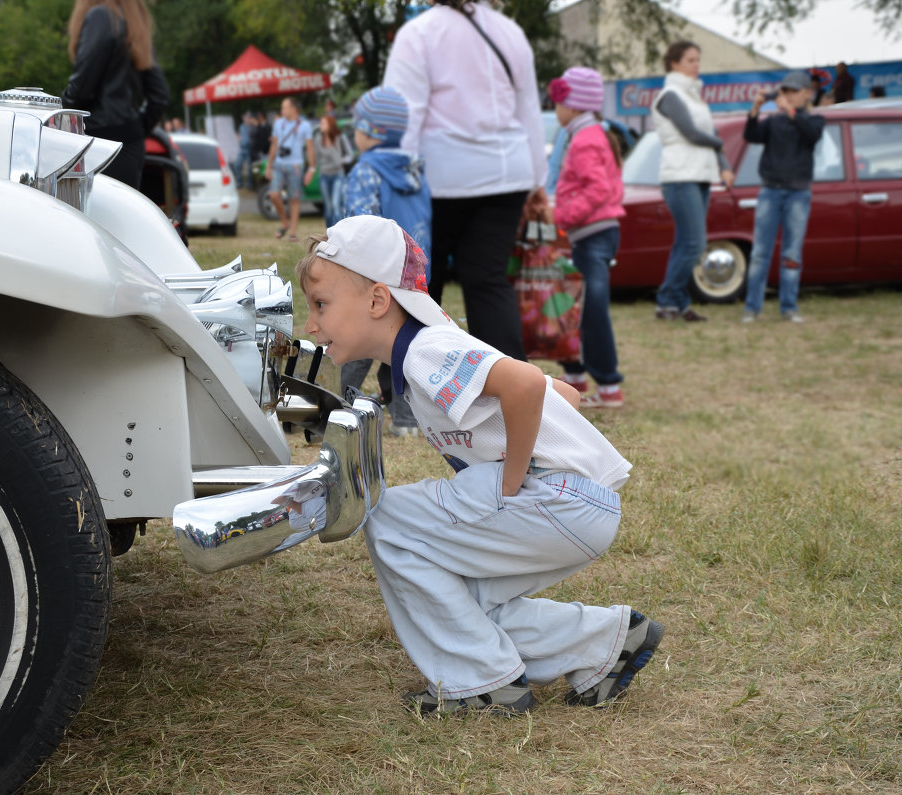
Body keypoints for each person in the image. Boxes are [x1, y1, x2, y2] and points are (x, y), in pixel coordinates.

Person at [295, 214, 661, 716]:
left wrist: (510, 482)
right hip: (581, 507)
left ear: (378, 301)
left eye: (320, 305)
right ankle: (606, 643)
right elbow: (564, 394)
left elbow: (528, 386)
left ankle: (483, 683)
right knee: (461, 601)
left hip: (552, 497)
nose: (311, 324)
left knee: (386, 517)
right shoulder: (433, 343)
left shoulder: (426, 350)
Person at [384, 0, 547, 362]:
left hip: (437, 178)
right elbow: (529, 112)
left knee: (419, 285)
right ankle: (514, 393)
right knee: (489, 283)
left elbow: (403, 116)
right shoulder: (510, 33)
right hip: (506, 174)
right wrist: (538, 182)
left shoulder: (420, 33)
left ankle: (412, 389)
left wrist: (391, 179)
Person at [339, 85, 431, 436]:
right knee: (403, 346)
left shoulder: (366, 171)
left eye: (357, 128)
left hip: (373, 275)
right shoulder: (416, 171)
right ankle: (407, 420)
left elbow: (359, 226)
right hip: (416, 274)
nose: (354, 135)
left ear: (371, 132)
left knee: (357, 341)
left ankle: (341, 408)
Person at [545, 67, 626, 408]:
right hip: (590, 235)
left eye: (558, 103)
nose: (555, 110)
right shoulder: (590, 134)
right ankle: (575, 376)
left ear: (573, 105)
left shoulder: (586, 139)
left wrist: (560, 216)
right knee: (575, 307)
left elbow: (598, 189)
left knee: (590, 311)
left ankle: (608, 387)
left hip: (593, 235)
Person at [651, 40, 735, 322]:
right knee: (694, 244)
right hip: (679, 175)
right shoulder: (671, 94)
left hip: (700, 174)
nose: (696, 65)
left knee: (685, 242)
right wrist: (720, 145)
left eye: (698, 60)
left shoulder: (695, 96)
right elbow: (692, 133)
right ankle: (667, 299)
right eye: (690, 60)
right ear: (674, 63)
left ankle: (677, 304)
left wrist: (723, 166)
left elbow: (708, 135)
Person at [741, 71, 825, 324]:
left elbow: (811, 135)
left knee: (792, 253)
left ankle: (789, 306)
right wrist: (755, 109)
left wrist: (789, 111)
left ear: (806, 94)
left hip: (798, 193)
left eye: (793, 92)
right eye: (784, 92)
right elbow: (750, 135)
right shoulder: (773, 122)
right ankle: (752, 308)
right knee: (760, 252)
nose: (787, 97)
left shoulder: (815, 120)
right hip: (770, 191)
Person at [63, 0, 169, 190]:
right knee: (121, 216)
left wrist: (59, 112)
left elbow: (82, 88)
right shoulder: (134, 26)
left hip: (99, 143)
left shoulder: (101, 17)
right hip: (129, 145)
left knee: (90, 217)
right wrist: (133, 128)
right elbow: (160, 96)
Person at [266, 96, 316, 242]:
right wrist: (269, 165)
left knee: (294, 198)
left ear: (293, 108)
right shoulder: (278, 123)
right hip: (279, 164)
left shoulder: (305, 125)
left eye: (284, 107)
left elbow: (310, 148)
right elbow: (274, 145)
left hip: (296, 165)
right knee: (274, 195)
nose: (282, 111)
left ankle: (292, 231)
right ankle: (284, 222)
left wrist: (311, 169)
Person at [315, 114, 353, 227]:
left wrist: (341, 161)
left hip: (338, 174)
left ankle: (341, 232)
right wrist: (313, 169)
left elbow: (350, 155)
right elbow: (317, 159)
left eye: (323, 123)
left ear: (330, 125)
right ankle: (330, 234)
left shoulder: (339, 137)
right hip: (324, 175)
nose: (320, 125)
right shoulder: (318, 139)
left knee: (336, 205)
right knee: (328, 208)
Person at [234, 112, 256, 189]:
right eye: (245, 117)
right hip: (242, 149)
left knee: (250, 167)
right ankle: (240, 183)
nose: (246, 119)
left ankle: (250, 184)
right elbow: (239, 136)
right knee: (237, 164)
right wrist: (239, 140)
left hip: (249, 149)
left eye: (247, 117)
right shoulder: (241, 127)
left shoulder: (253, 127)